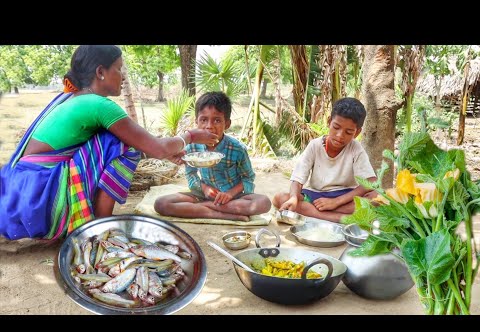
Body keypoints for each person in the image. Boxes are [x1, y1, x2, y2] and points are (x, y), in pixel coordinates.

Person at [0, 45, 218, 241]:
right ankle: (100, 226)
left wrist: (163, 151)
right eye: (118, 68)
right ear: (100, 72)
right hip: (42, 199)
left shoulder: (74, 98)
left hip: (24, 192)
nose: (123, 76)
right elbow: (155, 147)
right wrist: (190, 136)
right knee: (120, 143)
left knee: (121, 140)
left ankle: (96, 219)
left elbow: (149, 146)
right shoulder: (99, 105)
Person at [154, 91, 271, 221]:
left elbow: (248, 177)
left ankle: (205, 208)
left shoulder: (237, 149)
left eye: (217, 120)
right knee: (161, 204)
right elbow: (191, 174)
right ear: (196, 121)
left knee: (264, 202)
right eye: (203, 120)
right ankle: (218, 213)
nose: (209, 126)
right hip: (203, 195)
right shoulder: (192, 147)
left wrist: (229, 194)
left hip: (233, 198)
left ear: (227, 124)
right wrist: (204, 188)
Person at [272, 97, 377, 223]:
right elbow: (298, 179)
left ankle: (318, 214)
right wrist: (294, 198)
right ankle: (341, 218)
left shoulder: (355, 148)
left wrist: (335, 202)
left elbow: (370, 181)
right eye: (336, 127)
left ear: (357, 132)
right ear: (329, 121)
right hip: (316, 197)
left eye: (348, 132)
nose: (340, 135)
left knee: (378, 198)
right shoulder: (315, 146)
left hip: (345, 197)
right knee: (280, 198)